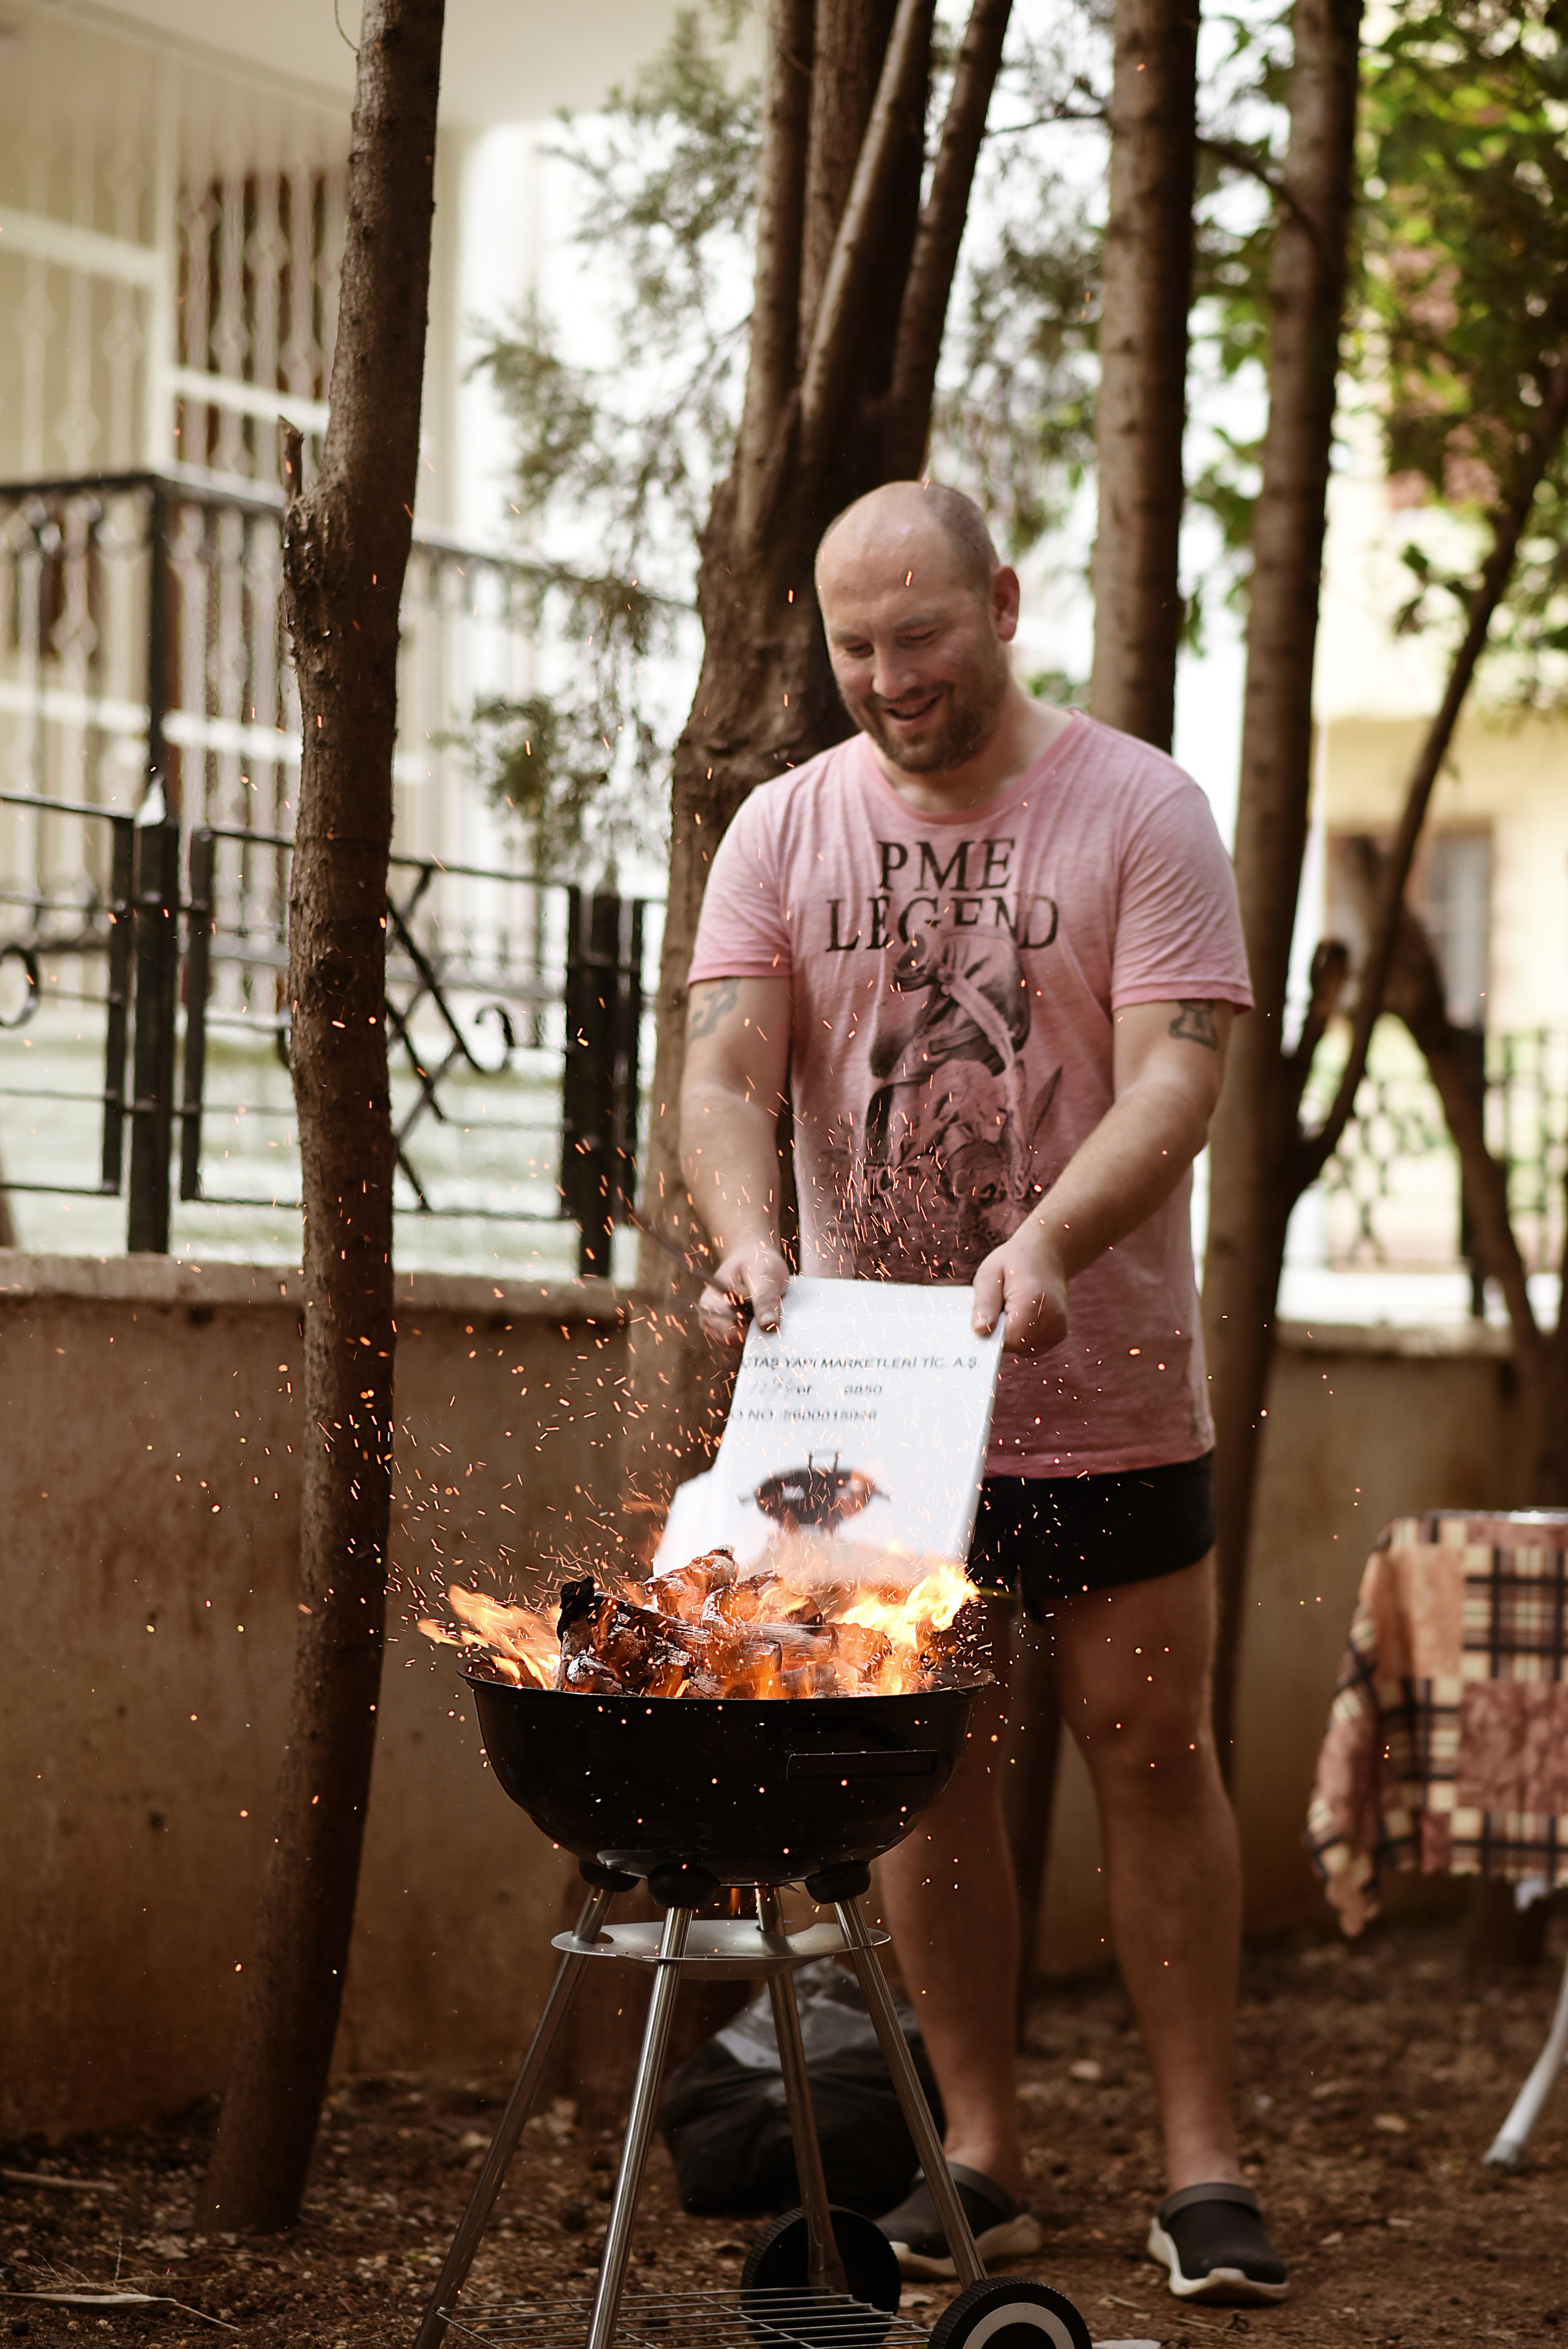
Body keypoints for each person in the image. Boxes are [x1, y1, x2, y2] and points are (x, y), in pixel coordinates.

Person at [676, 480, 1286, 2308]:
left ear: (1003, 603)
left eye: (918, 635)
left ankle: (1205, 2166)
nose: (886, 678)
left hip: (1100, 1377)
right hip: (869, 1406)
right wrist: (748, 1236)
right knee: (929, 1774)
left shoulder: (1140, 808)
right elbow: (724, 1072)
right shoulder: (782, 826)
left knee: (1152, 1754)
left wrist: (1050, 1240)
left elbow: (1179, 1084)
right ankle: (988, 2149)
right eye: (853, 647)